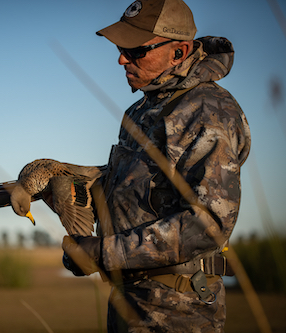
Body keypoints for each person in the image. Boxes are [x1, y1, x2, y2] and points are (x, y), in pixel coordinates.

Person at [58, 0, 251, 332]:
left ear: (179, 52)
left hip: (178, 312)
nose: (121, 58)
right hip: (130, 303)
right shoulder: (141, 110)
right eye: (121, 48)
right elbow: (133, 191)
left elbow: (208, 223)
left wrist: (104, 253)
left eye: (136, 51)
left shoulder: (207, 110)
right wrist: (61, 182)